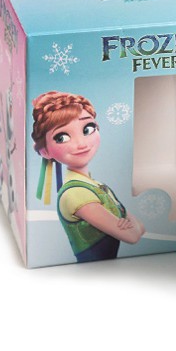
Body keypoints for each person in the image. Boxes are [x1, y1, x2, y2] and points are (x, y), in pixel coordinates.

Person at [31, 91, 144, 262]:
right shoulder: (76, 193)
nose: (81, 144)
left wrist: (132, 226)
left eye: (88, 129)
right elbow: (132, 236)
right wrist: (128, 224)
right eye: (61, 137)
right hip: (93, 271)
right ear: (45, 151)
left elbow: (141, 227)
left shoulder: (96, 185)